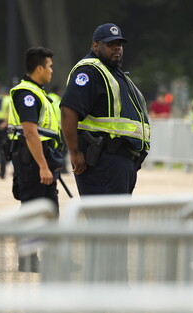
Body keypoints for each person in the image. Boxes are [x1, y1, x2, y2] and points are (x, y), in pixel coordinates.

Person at [60, 23, 150, 196]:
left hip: (121, 162)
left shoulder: (115, 73)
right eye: (110, 44)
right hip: (103, 161)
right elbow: (68, 110)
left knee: (116, 221)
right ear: (95, 45)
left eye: (119, 44)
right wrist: (74, 152)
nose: (117, 48)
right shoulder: (89, 71)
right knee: (106, 221)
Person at [7, 46, 63, 272]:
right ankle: (28, 260)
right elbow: (30, 132)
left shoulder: (38, 92)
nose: (52, 71)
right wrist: (42, 166)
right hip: (32, 159)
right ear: (39, 68)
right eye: (49, 66)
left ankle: (53, 259)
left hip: (42, 157)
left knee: (50, 209)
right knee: (32, 208)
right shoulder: (27, 94)